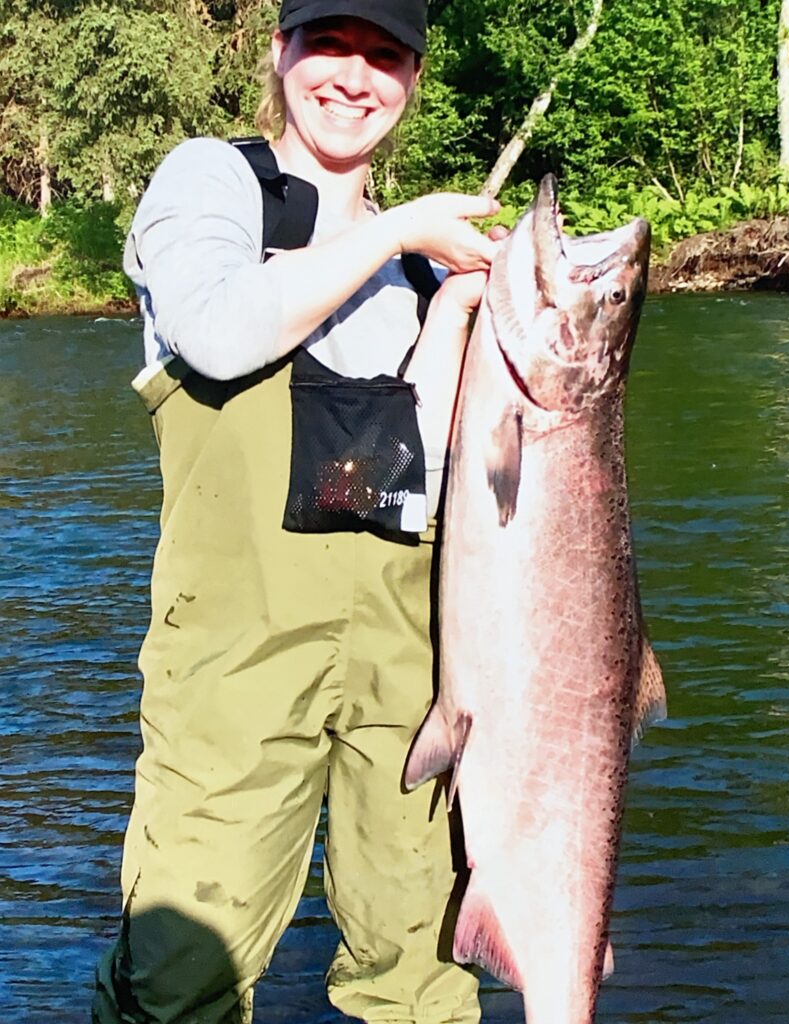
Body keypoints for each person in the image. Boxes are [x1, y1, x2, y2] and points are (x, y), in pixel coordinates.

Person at [92, 1, 503, 1021]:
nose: (355, 78)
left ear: (410, 77)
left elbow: (423, 474)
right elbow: (223, 338)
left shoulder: (417, 263)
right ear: (280, 53)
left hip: (413, 680)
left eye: (385, 56)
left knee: (423, 984)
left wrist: (453, 311)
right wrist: (403, 228)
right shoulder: (215, 182)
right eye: (331, 45)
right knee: (182, 978)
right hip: (235, 669)